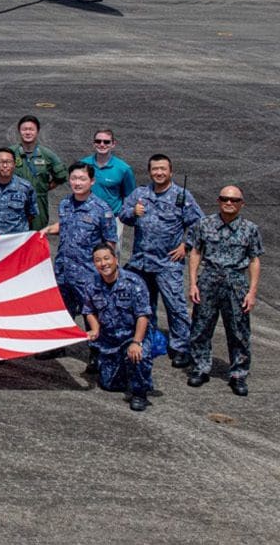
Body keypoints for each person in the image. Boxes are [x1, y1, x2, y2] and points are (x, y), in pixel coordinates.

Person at [120, 154, 201, 368]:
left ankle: (181, 346)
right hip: (141, 262)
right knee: (143, 306)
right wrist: (133, 212)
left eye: (163, 169)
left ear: (171, 171)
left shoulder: (181, 195)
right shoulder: (140, 194)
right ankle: (147, 340)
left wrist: (186, 245)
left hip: (167, 263)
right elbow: (123, 214)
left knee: (175, 306)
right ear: (149, 172)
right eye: (155, 169)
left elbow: (198, 224)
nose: (159, 173)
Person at [187, 185, 263, 396]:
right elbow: (195, 253)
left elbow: (254, 260)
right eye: (224, 199)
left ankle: (238, 374)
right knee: (201, 327)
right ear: (218, 201)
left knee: (239, 331)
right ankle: (200, 368)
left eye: (234, 200)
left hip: (236, 283)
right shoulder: (204, 224)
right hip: (209, 280)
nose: (229, 203)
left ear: (242, 204)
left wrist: (252, 292)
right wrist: (193, 283)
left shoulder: (250, 229)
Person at [82, 243, 153, 412]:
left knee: (138, 357)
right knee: (109, 385)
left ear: (116, 259)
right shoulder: (91, 284)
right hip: (109, 340)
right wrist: (95, 329)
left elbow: (143, 315)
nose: (103, 263)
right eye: (98, 260)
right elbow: (89, 310)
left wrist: (137, 342)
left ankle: (139, 393)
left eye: (107, 258)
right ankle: (123, 370)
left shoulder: (133, 282)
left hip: (132, 336)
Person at [46, 162, 117, 320]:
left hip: (88, 274)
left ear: (92, 181)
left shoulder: (102, 209)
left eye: (82, 179)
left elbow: (110, 242)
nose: (77, 183)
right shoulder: (65, 204)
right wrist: (48, 230)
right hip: (63, 272)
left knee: (92, 316)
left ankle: (96, 345)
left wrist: (107, 270)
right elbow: (66, 225)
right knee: (62, 315)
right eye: (74, 178)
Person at [12, 115, 65, 230]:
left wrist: (44, 187)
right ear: (19, 131)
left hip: (38, 203)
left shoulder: (47, 154)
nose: (28, 132)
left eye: (31, 129)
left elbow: (61, 176)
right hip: (14, 201)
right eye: (24, 129)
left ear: (37, 131)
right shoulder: (10, 153)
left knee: (37, 234)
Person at [80, 128, 137, 222]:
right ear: (93, 144)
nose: (102, 144)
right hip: (87, 217)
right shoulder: (82, 165)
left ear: (113, 144)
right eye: (98, 141)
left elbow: (130, 197)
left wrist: (124, 216)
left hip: (112, 219)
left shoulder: (123, 169)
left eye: (106, 142)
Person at [0, 148, 39, 235]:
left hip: (15, 241)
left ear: (14, 164)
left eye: (9, 162)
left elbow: (31, 214)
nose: (5, 165)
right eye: (0, 162)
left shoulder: (25, 187)